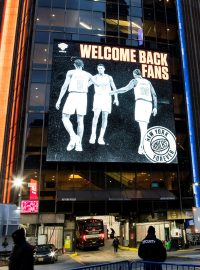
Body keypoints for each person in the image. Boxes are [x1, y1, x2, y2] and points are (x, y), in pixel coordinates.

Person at [110, 69, 157, 155]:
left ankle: (141, 147)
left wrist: (114, 91)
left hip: (141, 103)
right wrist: (155, 107)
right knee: (144, 127)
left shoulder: (134, 80)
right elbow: (154, 94)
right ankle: (142, 146)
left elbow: (125, 89)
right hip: (149, 104)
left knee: (143, 128)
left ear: (134, 74)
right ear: (141, 74)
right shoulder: (148, 81)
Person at [55, 59, 97, 152]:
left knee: (65, 117)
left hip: (73, 95)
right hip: (83, 96)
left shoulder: (71, 72)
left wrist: (59, 100)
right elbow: (96, 82)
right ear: (82, 65)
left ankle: (73, 136)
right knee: (80, 120)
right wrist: (86, 85)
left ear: (74, 65)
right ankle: (79, 144)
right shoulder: (88, 74)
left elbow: (64, 86)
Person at [89, 64, 119, 145]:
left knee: (104, 117)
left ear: (104, 69)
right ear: (97, 69)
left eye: (101, 68)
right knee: (96, 116)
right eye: (98, 68)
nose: (100, 69)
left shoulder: (109, 77)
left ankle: (101, 138)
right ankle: (93, 135)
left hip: (107, 98)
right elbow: (87, 85)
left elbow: (114, 88)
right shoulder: (94, 77)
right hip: (98, 97)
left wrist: (116, 98)